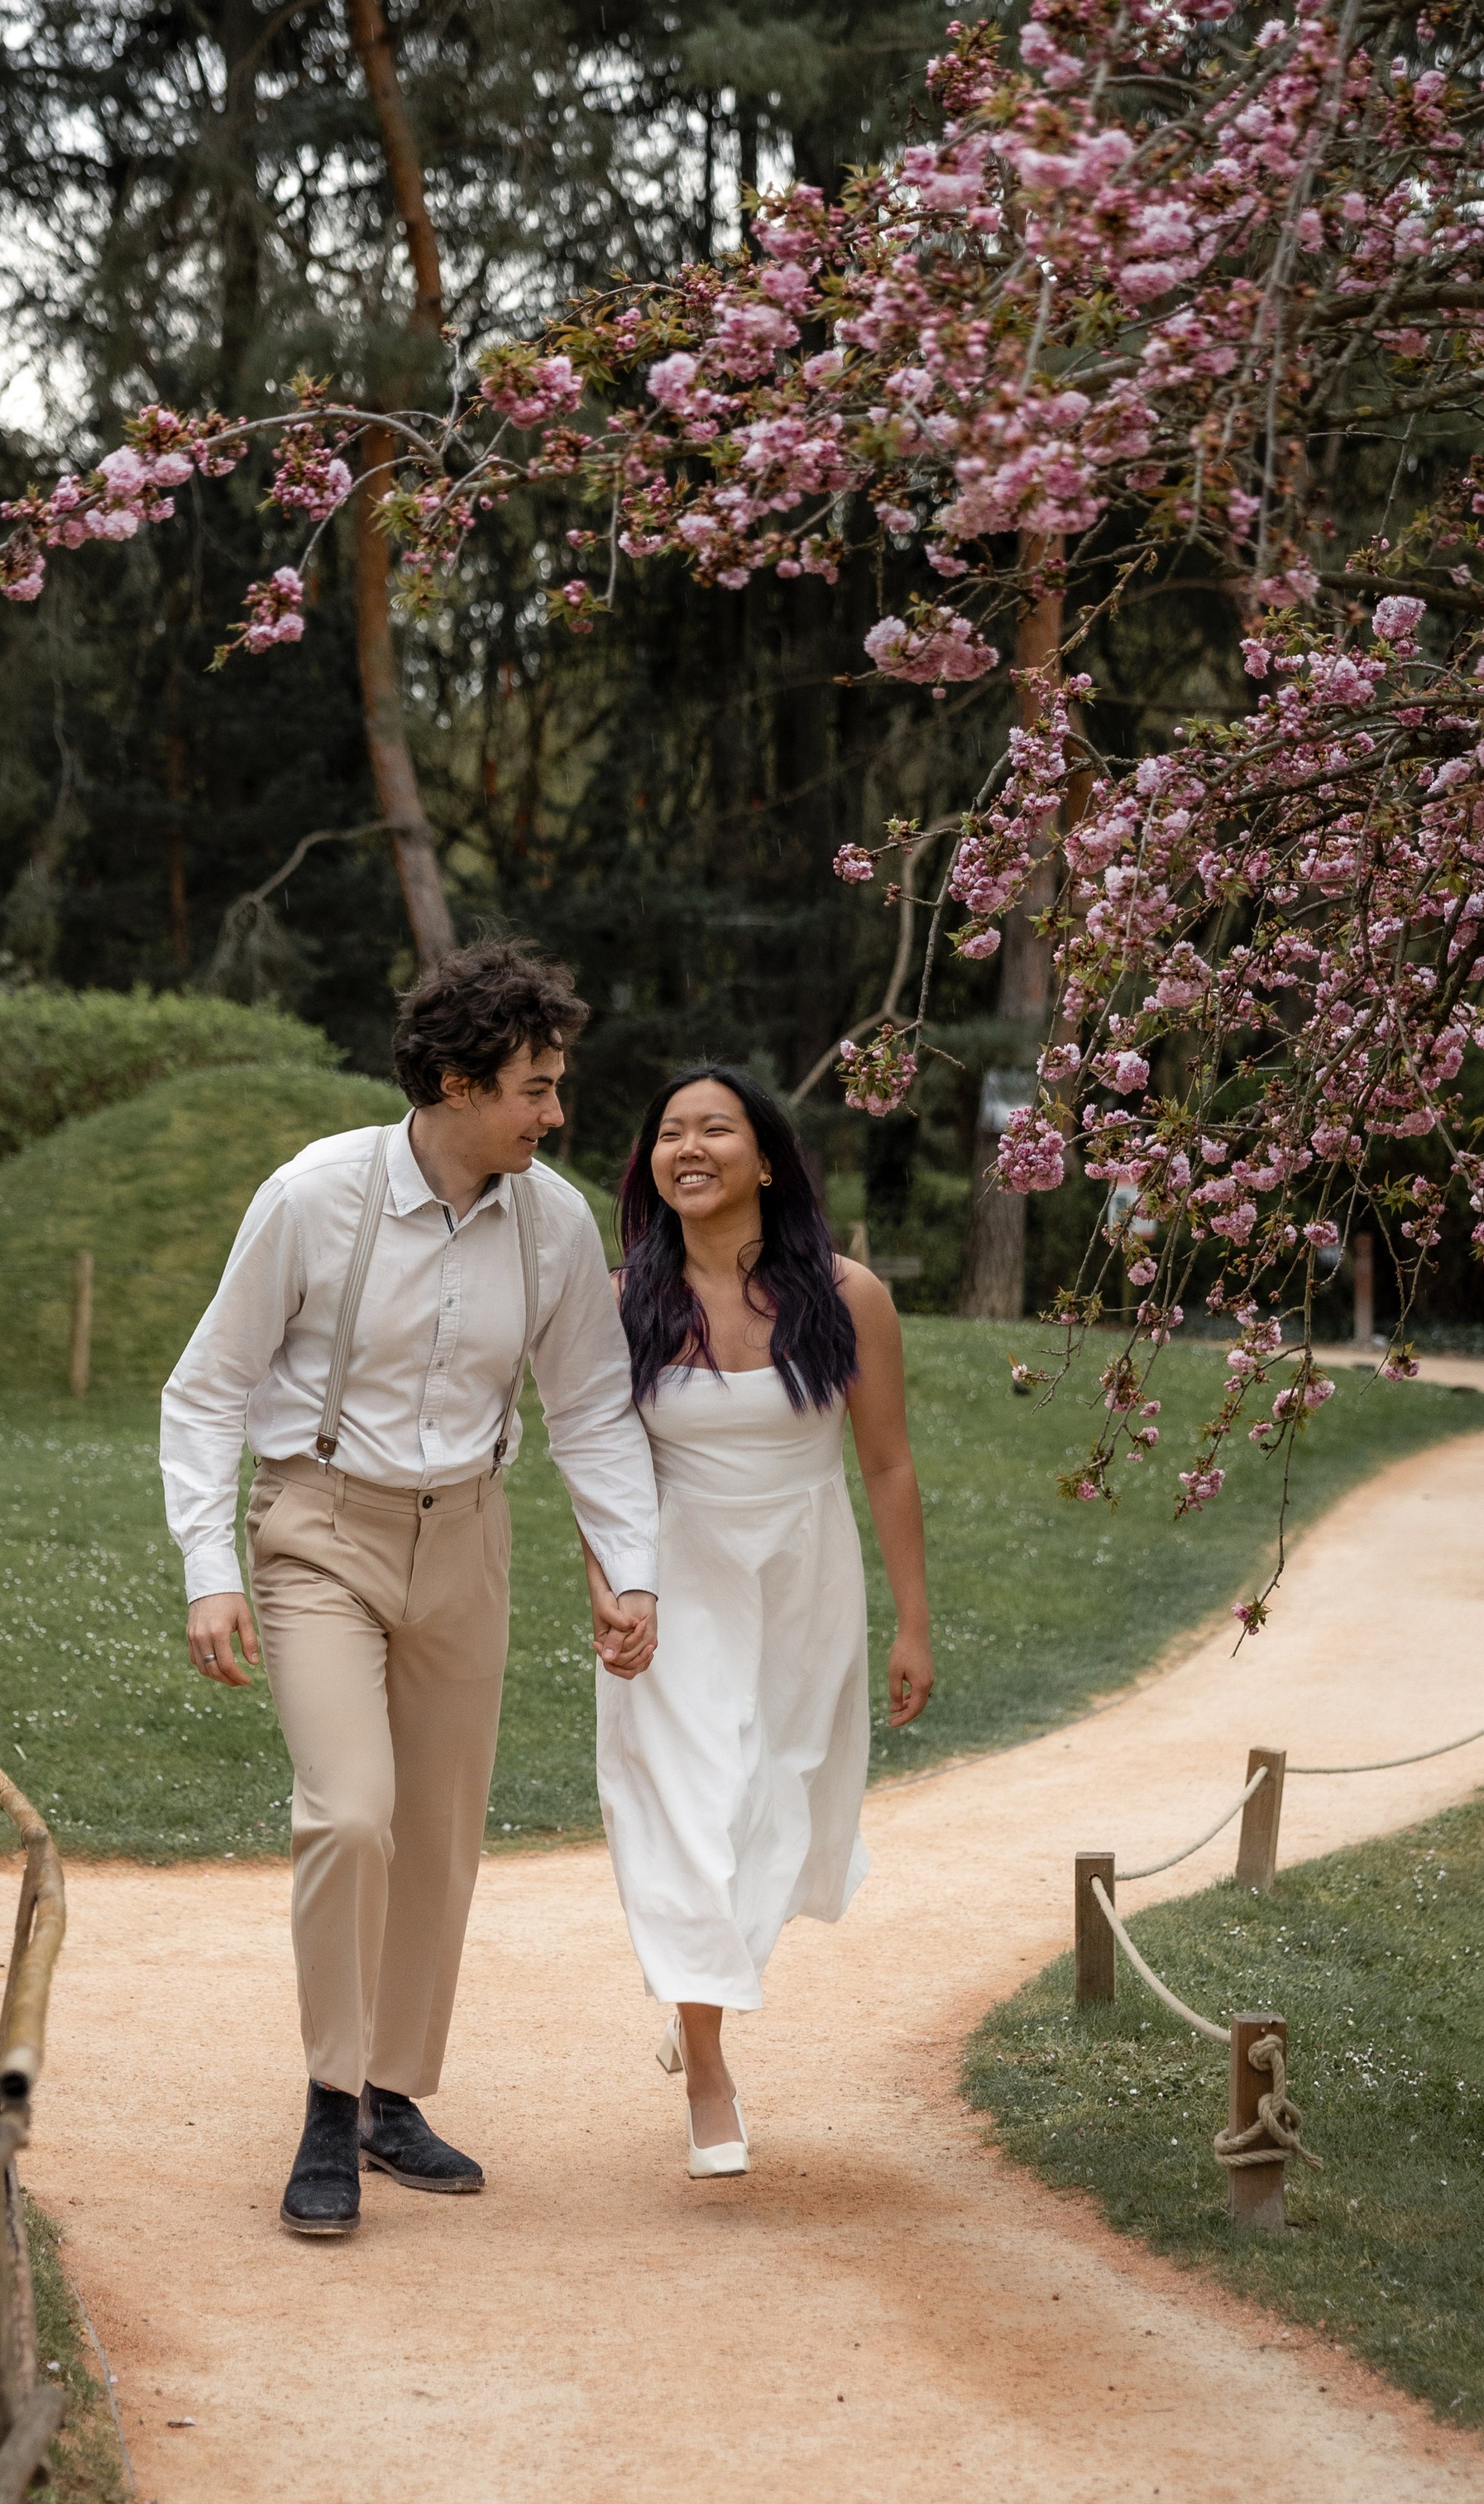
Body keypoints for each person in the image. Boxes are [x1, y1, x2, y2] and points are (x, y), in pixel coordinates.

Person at [160, 940, 658, 2239]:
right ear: (453, 1079)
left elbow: (593, 1410)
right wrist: (212, 1570)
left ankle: (392, 2094)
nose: (557, 1113)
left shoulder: (554, 1221)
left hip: (470, 1538)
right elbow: (207, 1389)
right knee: (351, 1815)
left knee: (438, 1836)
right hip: (320, 1529)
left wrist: (632, 1574)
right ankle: (329, 2103)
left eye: (557, 1085)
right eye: (535, 1087)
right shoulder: (314, 1196)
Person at [583, 1065, 934, 2177]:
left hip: (803, 1578)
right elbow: (602, 1466)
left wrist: (912, 1624)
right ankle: (707, 2067)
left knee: (771, 1804)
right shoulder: (615, 1300)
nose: (689, 1148)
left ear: (768, 1159)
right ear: (650, 1165)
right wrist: (610, 1584)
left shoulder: (847, 1296)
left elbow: (887, 1464)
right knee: (686, 1806)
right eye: (670, 1133)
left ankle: (698, 1994)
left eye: (716, 1129)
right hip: (672, 1585)